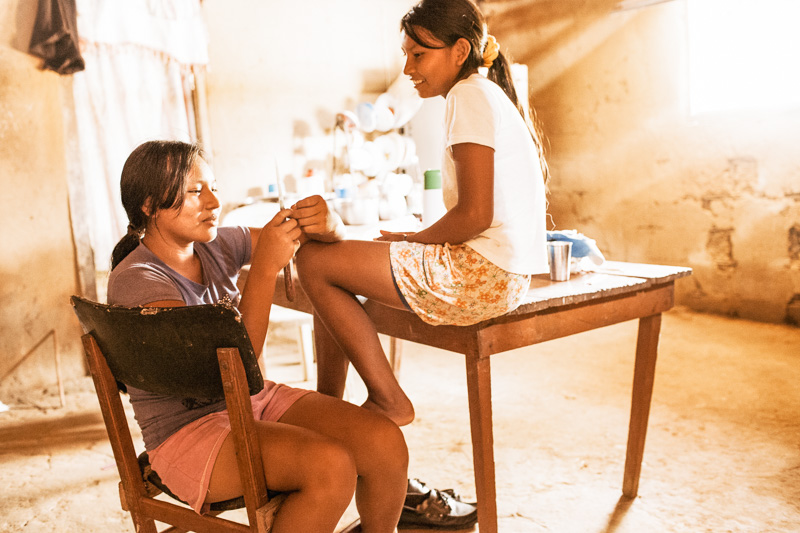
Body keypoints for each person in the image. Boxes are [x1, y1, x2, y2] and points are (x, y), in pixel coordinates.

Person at [106, 140, 408, 533]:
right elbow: (233, 366)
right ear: (148, 205)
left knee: (384, 443)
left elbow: (303, 238)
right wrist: (265, 268)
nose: (213, 202)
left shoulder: (216, 245)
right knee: (330, 467)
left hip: (253, 400)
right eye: (196, 191)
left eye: (213, 187)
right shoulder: (137, 280)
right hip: (189, 433)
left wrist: (328, 221)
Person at [295, 0, 549, 428]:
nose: (409, 69)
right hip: (504, 273)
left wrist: (414, 241)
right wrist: (416, 239)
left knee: (314, 261)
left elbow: (474, 216)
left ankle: (386, 399)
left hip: (485, 273)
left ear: (460, 51)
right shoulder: (481, 94)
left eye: (419, 55)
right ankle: (329, 405)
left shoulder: (468, 96)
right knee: (339, 268)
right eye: (406, 56)